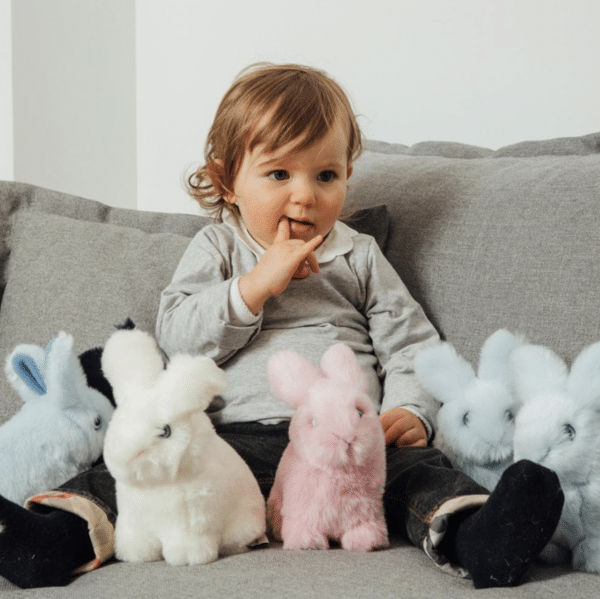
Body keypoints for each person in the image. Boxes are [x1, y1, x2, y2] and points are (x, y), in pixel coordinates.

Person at [0, 63, 563, 590]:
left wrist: (410, 410)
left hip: (344, 447)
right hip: (230, 443)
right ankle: (52, 538)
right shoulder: (218, 247)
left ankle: (479, 537)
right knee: (135, 470)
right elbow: (175, 337)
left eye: (325, 174)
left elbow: (410, 344)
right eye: (278, 173)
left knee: (419, 473)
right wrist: (253, 288)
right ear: (226, 182)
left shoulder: (358, 255)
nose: (306, 194)